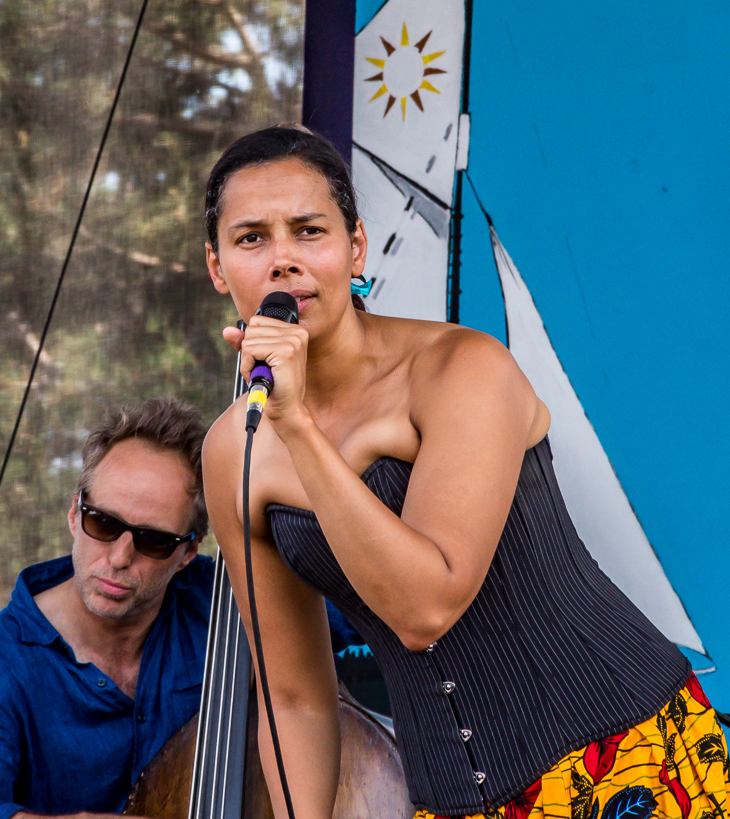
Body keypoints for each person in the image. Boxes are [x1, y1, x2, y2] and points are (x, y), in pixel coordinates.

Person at [201, 125, 729, 819]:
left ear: (356, 247)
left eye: (309, 231)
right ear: (217, 269)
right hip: (451, 803)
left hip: (627, 758)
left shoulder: (462, 368)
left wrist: (297, 427)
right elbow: (294, 696)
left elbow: (426, 608)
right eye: (251, 239)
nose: (283, 262)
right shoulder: (233, 450)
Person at [0, 396, 359, 819]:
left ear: (188, 552)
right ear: (75, 513)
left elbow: (370, 621)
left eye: (153, 541)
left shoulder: (226, 600)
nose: (118, 558)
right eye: (104, 523)